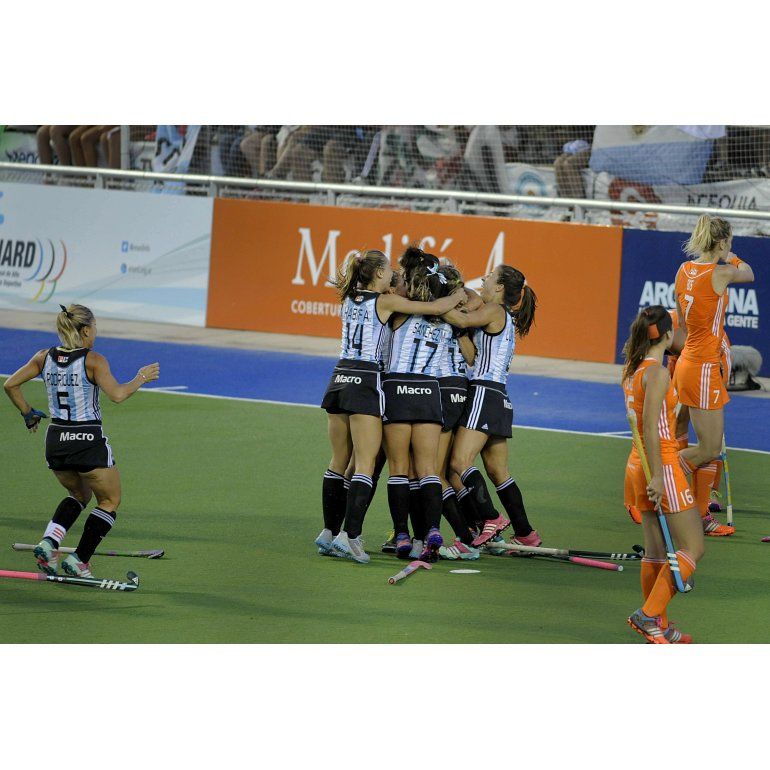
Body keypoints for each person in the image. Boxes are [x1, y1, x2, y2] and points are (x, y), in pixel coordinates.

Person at [316, 250, 464, 564]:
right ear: (380, 274)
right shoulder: (386, 302)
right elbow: (434, 307)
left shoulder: (350, 298)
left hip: (339, 378)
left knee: (340, 462)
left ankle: (329, 533)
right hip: (366, 381)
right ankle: (350, 537)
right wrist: (457, 293)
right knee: (366, 464)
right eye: (390, 272)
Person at [2, 304, 159, 577]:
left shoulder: (43, 357)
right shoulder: (93, 361)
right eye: (95, 327)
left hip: (56, 441)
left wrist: (28, 413)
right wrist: (141, 377)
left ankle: (48, 542)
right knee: (109, 500)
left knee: (78, 495)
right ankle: (79, 560)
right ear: (85, 330)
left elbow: (10, 384)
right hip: (87, 441)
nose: (96, 332)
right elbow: (118, 395)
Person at [622, 306, 704, 643]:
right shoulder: (657, 374)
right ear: (668, 335)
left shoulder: (632, 370)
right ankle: (648, 614)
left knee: (656, 551)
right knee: (693, 547)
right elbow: (652, 429)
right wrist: (658, 476)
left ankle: (659, 626)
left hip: (637, 464)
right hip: (662, 466)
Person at [445, 265, 541, 549]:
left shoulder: (495, 310)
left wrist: (434, 304)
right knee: (499, 472)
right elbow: (472, 355)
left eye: (490, 276)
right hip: (498, 396)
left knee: (458, 463)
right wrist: (458, 296)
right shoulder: (500, 313)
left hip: (484, 393)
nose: (485, 278)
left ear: (499, 287)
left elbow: (461, 319)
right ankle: (526, 534)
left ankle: (491, 518)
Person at [673, 215, 754, 538]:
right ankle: (662, 480)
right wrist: (731, 255)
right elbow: (749, 272)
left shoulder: (683, 270)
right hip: (704, 368)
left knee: (707, 442)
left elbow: (683, 323)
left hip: (687, 362)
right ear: (721, 242)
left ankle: (699, 514)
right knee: (708, 448)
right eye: (729, 241)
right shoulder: (721, 272)